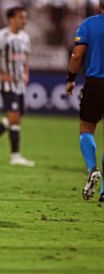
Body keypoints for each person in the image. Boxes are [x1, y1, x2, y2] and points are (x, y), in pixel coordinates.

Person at [0, 6, 36, 167]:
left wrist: (26, 72)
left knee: (17, 116)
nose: (24, 20)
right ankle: (14, 155)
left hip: (20, 84)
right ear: (11, 19)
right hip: (7, 84)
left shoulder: (25, 37)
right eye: (21, 17)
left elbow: (25, 57)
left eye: (25, 17)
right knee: (13, 117)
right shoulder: (2, 36)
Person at [66, 0, 104, 200]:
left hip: (96, 84)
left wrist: (71, 79)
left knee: (86, 129)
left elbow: (77, 55)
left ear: (100, 5)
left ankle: (92, 168)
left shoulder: (88, 24)